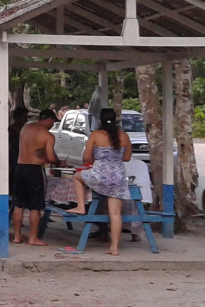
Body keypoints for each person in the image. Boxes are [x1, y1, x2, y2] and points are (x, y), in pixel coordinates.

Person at [66, 107, 133, 256]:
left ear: (100, 120)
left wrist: (100, 158)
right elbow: (127, 157)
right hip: (118, 177)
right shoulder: (124, 136)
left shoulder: (96, 135)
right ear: (115, 120)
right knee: (115, 214)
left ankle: (80, 206)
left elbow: (87, 157)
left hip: (99, 175)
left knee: (77, 177)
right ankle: (114, 248)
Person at [13, 108, 60, 246]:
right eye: (53, 122)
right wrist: (59, 162)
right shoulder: (48, 136)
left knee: (19, 204)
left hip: (20, 167)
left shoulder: (25, 128)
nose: (52, 125)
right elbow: (51, 157)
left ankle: (17, 235)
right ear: (49, 120)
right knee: (35, 206)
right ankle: (33, 237)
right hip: (34, 169)